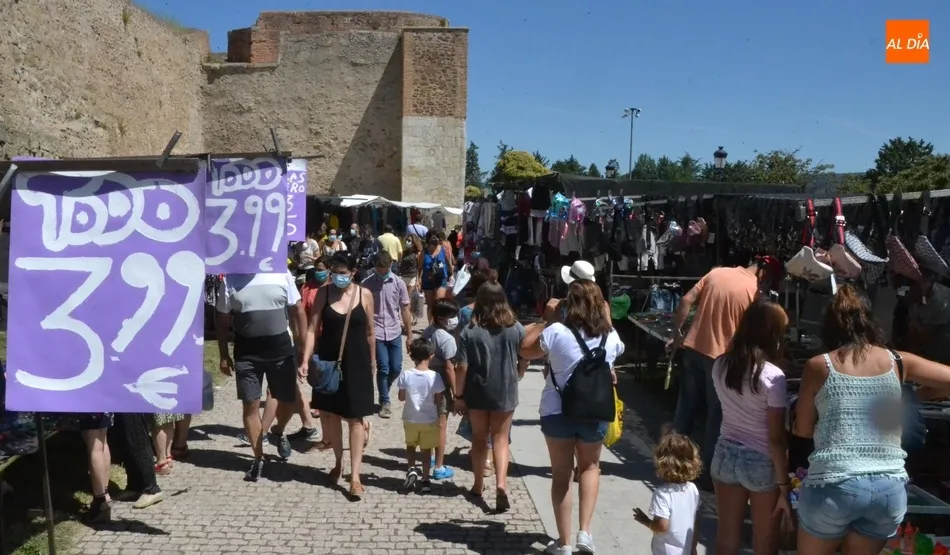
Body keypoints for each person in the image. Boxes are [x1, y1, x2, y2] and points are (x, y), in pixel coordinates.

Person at [793, 285, 950, 554]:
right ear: (869, 321)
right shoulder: (898, 362)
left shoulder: (819, 366)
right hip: (887, 490)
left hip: (834, 486)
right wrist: (914, 396)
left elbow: (803, 429)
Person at [521, 279, 624, 555]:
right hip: (595, 411)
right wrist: (607, 318)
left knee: (561, 475)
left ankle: (564, 543)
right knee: (590, 467)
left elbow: (525, 348)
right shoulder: (611, 337)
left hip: (557, 410)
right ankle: (585, 533)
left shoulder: (557, 332)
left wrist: (548, 318)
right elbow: (615, 353)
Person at [667, 256, 782, 483]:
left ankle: (671, 465)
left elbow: (685, 301)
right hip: (720, 360)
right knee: (716, 417)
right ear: (765, 274)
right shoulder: (754, 292)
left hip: (693, 350)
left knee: (685, 410)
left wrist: (677, 335)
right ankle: (708, 476)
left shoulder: (716, 273)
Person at [710, 299, 791, 555]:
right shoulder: (773, 377)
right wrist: (784, 486)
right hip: (761, 461)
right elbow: (775, 439)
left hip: (724, 453)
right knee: (765, 539)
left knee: (726, 536)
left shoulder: (720, 365)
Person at [215, 270, 308, 481]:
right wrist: (223, 353)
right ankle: (258, 457)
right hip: (246, 354)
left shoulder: (281, 273)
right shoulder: (230, 279)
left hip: (281, 351)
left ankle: (278, 430)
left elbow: (298, 310)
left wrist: (302, 346)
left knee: (288, 401)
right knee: (250, 405)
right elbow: (222, 319)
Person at [299, 253, 376, 500]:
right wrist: (305, 360)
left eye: (343, 272)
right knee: (330, 415)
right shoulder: (324, 293)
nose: (337, 277)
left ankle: (355, 476)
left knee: (355, 419)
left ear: (352, 272)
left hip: (357, 364)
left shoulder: (365, 295)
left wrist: (373, 362)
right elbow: (312, 329)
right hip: (328, 364)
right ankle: (338, 462)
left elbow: (370, 332)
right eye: (334, 272)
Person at [455, 279, 525, 512]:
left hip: (477, 391)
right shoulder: (515, 328)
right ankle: (501, 483)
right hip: (505, 390)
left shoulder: (470, 331)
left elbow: (461, 367)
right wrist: (519, 371)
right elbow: (525, 354)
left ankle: (477, 485)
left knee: (479, 439)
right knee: (501, 439)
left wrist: (458, 395)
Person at [457, 268, 499, 476]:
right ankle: (488, 458)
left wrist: (458, 391)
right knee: (494, 418)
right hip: (497, 370)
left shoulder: (466, 312)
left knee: (477, 418)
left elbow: (460, 345)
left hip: (473, 369)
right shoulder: (504, 314)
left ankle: (481, 456)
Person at [362, 251, 412, 419]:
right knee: (383, 368)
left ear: (391, 265)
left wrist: (410, 335)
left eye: (385, 268)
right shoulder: (367, 284)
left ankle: (385, 387)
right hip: (376, 332)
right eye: (380, 269)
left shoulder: (399, 283)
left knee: (396, 368)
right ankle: (385, 401)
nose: (382, 272)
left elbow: (405, 309)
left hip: (394, 331)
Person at [634, 433, 702, 555]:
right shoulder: (692, 489)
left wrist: (647, 522)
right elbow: (695, 521)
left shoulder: (662, 494)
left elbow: (662, 526)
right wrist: (693, 546)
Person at [398, 337, 445, 493]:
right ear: (431, 356)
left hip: (410, 418)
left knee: (410, 445)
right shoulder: (435, 376)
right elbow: (438, 399)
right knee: (426, 450)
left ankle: (411, 469)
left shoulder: (406, 375)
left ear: (412, 356)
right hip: (429, 419)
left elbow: (401, 397)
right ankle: (425, 479)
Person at [423, 299, 461, 481]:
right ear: (441, 318)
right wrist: (456, 392)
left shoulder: (428, 331)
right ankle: (439, 467)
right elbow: (449, 367)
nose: (454, 319)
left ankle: (430, 458)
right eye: (451, 316)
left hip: (426, 382)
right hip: (441, 385)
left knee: (430, 423)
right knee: (441, 426)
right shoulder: (447, 339)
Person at [78, 414, 115, 522]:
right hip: (104, 406)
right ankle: (105, 493)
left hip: (91, 407)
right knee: (102, 440)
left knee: (94, 445)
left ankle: (100, 502)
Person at [419, 231, 452, 324]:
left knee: (438, 303)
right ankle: (430, 325)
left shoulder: (443, 249)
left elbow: (449, 262)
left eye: (437, 237)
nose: (436, 239)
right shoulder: (424, 252)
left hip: (441, 279)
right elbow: (420, 267)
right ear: (428, 239)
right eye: (433, 237)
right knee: (430, 305)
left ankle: (438, 324)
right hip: (427, 280)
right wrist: (418, 280)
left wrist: (451, 274)